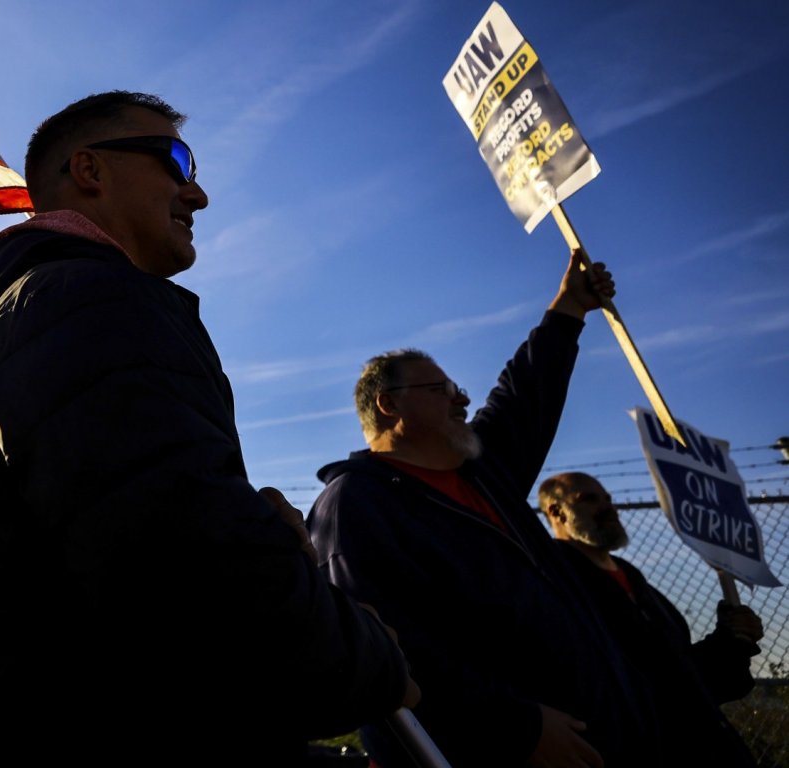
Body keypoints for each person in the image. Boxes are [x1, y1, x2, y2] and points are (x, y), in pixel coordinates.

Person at [0, 91, 415, 766]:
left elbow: (136, 546)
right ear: (90, 171)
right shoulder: (81, 302)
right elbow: (192, 577)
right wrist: (368, 657)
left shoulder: (51, 310)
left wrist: (254, 528)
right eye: (176, 161)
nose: (197, 193)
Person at [307, 255, 662, 767]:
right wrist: (517, 727)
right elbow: (387, 649)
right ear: (390, 405)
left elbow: (524, 397)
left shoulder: (483, 474)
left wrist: (569, 307)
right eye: (444, 389)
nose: (464, 399)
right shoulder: (357, 506)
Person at [539, 471, 764, 768]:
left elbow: (680, 678)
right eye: (589, 499)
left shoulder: (634, 579)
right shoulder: (551, 579)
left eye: (608, 498)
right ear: (557, 512)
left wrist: (732, 641)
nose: (608, 507)